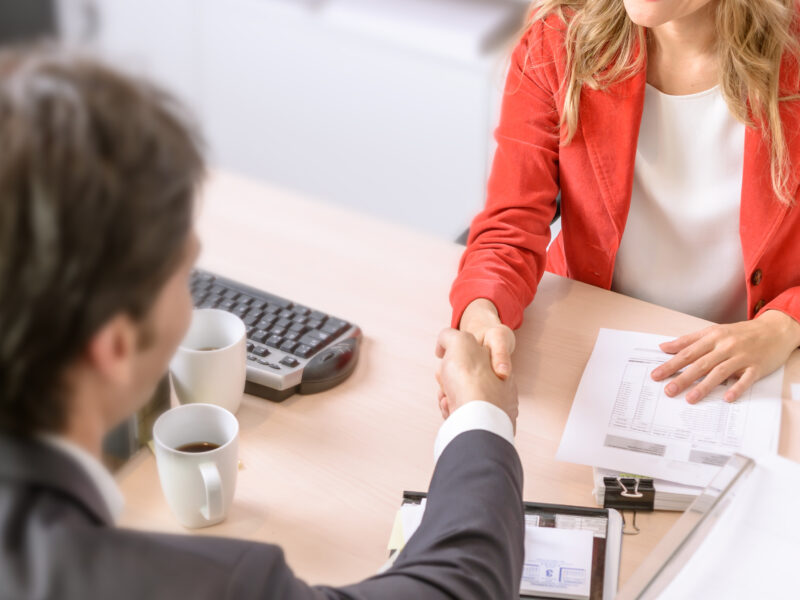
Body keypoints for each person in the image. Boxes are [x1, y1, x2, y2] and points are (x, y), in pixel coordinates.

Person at [0, 48, 525, 599]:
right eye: (184, 277)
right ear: (115, 345)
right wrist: (481, 419)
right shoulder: (210, 586)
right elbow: (458, 589)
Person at [452, 0, 800, 405]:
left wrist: (785, 323)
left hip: (751, 367)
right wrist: (482, 312)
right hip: (594, 343)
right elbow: (510, 226)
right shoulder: (558, 39)